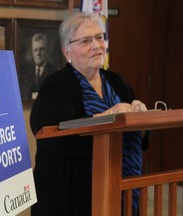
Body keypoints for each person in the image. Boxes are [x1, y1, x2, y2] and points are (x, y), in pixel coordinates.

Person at [30, 12, 150, 216]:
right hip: (72, 195)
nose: (96, 45)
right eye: (86, 40)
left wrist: (142, 118)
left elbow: (141, 139)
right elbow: (51, 132)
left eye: (100, 37)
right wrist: (109, 116)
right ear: (67, 51)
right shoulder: (55, 86)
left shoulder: (117, 82)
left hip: (123, 189)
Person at [19, 33, 57, 100]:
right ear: (32, 52)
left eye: (41, 49)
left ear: (47, 50)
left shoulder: (55, 72)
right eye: (35, 50)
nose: (38, 53)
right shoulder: (26, 73)